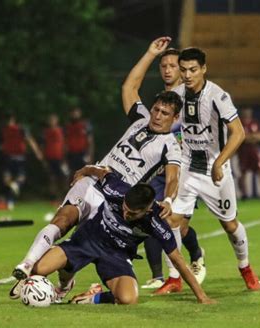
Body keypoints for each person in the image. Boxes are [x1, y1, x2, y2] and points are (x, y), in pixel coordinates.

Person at [11, 37, 183, 287]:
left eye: (163, 113)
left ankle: (68, 280)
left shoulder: (171, 145)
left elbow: (173, 176)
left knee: (84, 244)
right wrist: (149, 54)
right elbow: (129, 88)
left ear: (174, 118)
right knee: (62, 220)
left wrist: (168, 199)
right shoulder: (140, 119)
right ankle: (26, 267)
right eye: (155, 109)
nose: (156, 115)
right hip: (93, 180)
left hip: (115, 201)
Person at [155, 46, 260, 294]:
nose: (188, 75)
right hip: (188, 169)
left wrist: (218, 162)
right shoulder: (177, 94)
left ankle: (245, 268)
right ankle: (174, 279)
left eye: (193, 70)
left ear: (204, 69)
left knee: (230, 225)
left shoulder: (218, 96)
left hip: (216, 171)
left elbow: (239, 133)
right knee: (170, 220)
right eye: (184, 70)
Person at [29, 167, 215, 305]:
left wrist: (201, 296)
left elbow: (178, 260)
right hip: (87, 240)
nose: (126, 214)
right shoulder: (115, 188)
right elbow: (101, 172)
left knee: (129, 299)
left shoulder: (156, 222)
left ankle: (94, 297)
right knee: (38, 270)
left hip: (116, 255)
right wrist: (83, 172)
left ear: (147, 209)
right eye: (125, 208)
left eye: (132, 214)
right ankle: (65, 277)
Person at [143, 47, 206, 289]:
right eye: (164, 66)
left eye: (173, 66)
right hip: (162, 171)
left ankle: (196, 254)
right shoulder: (161, 100)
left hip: (187, 170)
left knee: (178, 225)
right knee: (151, 218)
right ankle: (160, 276)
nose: (168, 70)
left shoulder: (191, 97)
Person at [0, 113, 43, 210]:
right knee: (20, 178)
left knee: (7, 180)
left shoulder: (5, 129)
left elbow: (1, 145)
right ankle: (13, 192)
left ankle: (10, 201)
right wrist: (37, 152)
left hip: (9, 157)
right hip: (18, 157)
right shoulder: (21, 128)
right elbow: (30, 140)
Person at [237, 107, 260, 199]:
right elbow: (241, 137)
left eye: (249, 112)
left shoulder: (255, 123)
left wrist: (250, 138)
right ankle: (244, 194)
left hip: (254, 150)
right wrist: (252, 137)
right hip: (243, 151)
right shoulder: (239, 123)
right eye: (245, 112)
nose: (247, 113)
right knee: (243, 172)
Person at [64, 107, 94, 179]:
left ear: (80, 113)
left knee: (84, 173)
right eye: (73, 113)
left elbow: (90, 141)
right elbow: (65, 142)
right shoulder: (67, 126)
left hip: (82, 153)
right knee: (71, 175)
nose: (75, 114)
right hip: (71, 154)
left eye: (76, 113)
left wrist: (90, 155)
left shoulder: (85, 124)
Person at [42, 113, 67, 200]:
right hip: (49, 158)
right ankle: (53, 197)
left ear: (57, 121)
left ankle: (63, 195)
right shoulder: (46, 132)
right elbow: (43, 145)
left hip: (59, 158)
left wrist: (65, 157)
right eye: (50, 120)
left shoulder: (61, 131)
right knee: (52, 178)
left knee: (63, 177)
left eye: (53, 120)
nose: (52, 122)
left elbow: (64, 144)